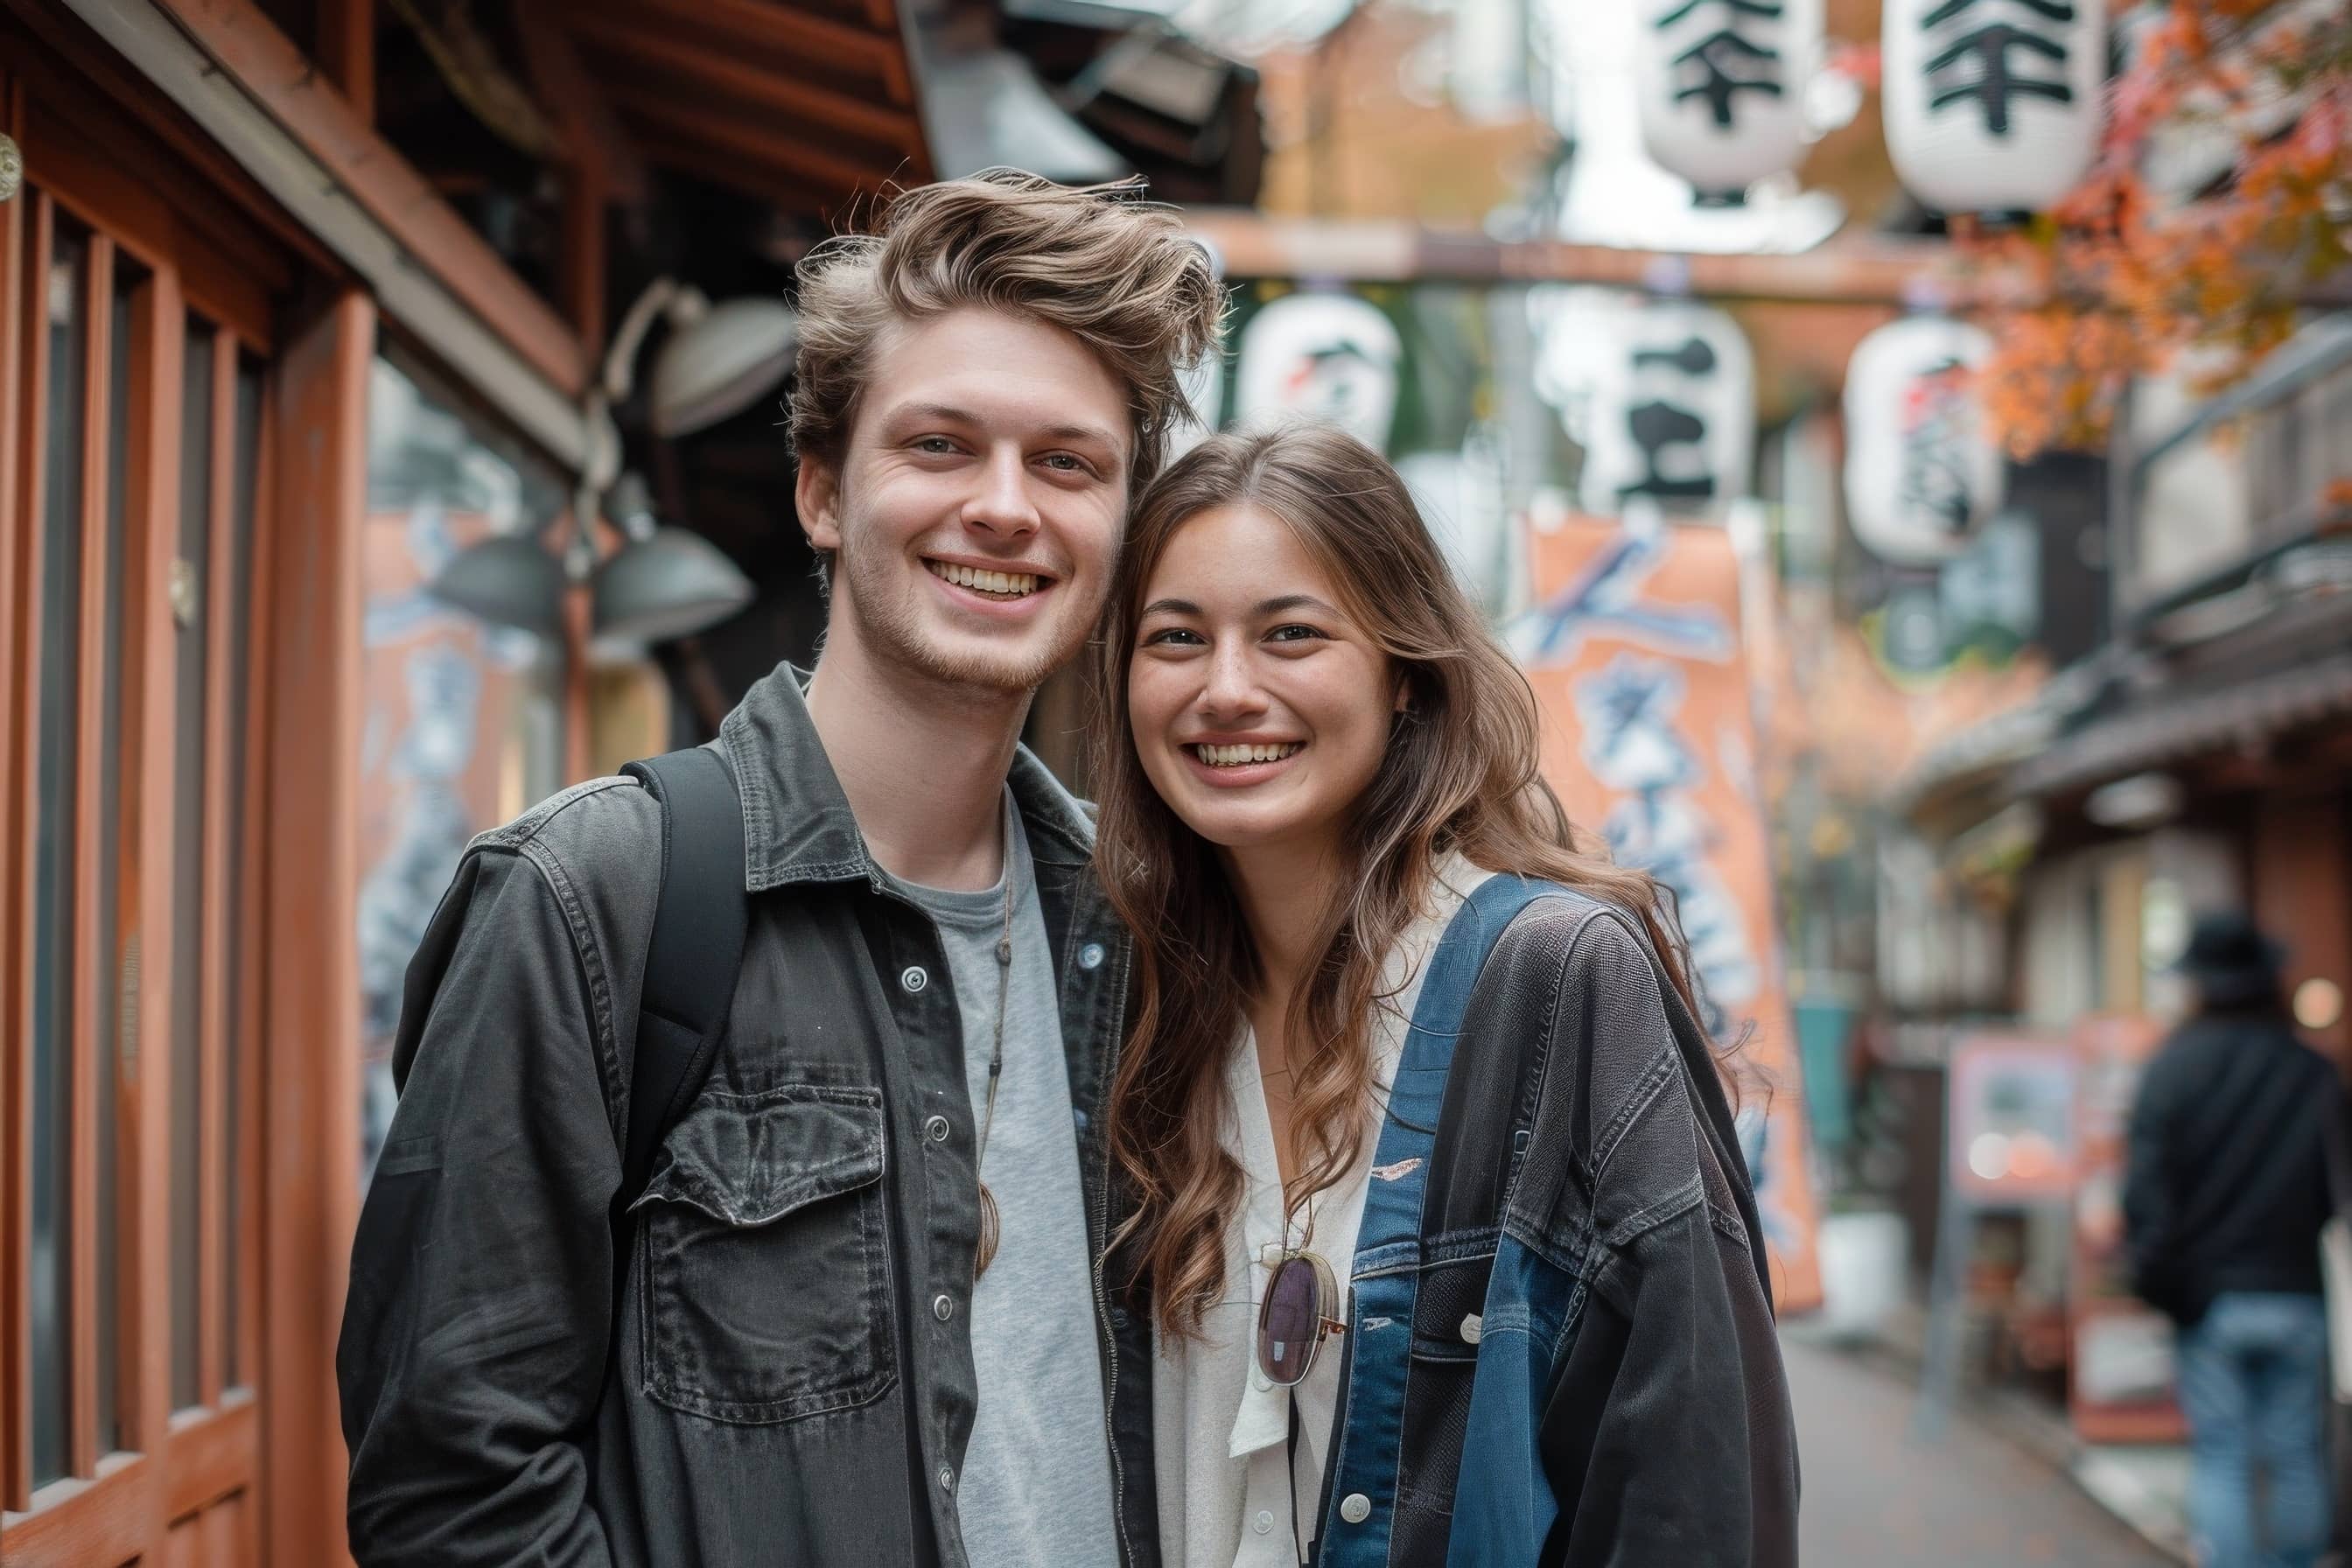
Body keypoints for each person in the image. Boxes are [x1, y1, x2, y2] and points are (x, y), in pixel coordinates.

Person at [337, 172, 1220, 1567]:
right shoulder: (591, 899)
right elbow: (455, 1490)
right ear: (823, 491)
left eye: (1067, 463)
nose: (1004, 508)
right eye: (940, 445)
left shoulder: (1151, 930)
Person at [1093, 423, 1799, 1568]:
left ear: (1405, 676)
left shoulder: (1559, 976)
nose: (1226, 689)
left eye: (1291, 635)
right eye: (1176, 638)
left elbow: (1688, 1482)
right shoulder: (1134, 1011)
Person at [2126, 910, 2338, 1568]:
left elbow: (2148, 1196)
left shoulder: (2172, 1069)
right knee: (2297, 1451)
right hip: (2297, 1288)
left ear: (2198, 984)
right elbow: (2336, 1190)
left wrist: (2160, 1284)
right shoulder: (2314, 1072)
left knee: (2221, 1452)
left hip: (2209, 1297)